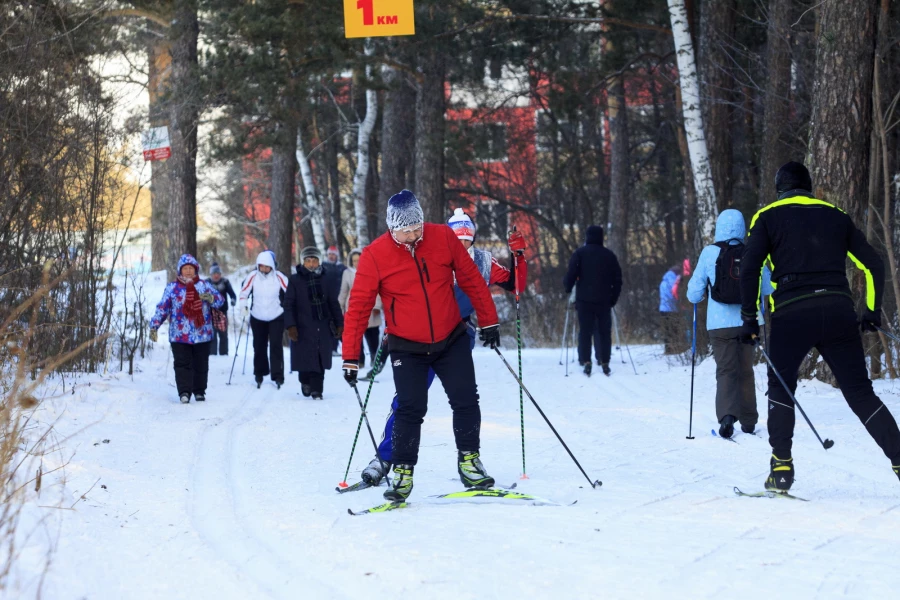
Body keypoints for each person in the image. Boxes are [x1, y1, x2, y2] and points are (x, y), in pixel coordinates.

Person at [740, 161, 900, 492]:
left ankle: (781, 467)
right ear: (809, 187)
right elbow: (873, 262)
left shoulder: (767, 217)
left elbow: (749, 269)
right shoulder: (836, 216)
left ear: (779, 188)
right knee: (859, 393)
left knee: (781, 387)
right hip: (837, 310)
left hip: (791, 314)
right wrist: (871, 311)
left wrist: (748, 319)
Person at [341, 191, 501, 502]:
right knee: (410, 408)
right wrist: (350, 356)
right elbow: (358, 306)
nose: (414, 236)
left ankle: (469, 460)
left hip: (451, 336)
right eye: (406, 231)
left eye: (417, 229)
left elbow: (470, 279)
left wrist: (489, 320)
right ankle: (402, 471)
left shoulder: (442, 236)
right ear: (391, 228)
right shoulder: (375, 255)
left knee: (466, 399)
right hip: (407, 345)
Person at [687, 209, 773, 438]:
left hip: (719, 324)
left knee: (725, 370)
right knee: (746, 370)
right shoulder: (752, 252)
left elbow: (693, 294)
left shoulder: (709, 253)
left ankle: (727, 417)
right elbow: (768, 287)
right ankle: (749, 422)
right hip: (750, 320)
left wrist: (702, 293)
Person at [149, 254, 224, 404]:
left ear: (196, 270)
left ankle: (199, 391)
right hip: (179, 335)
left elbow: (220, 301)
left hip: (202, 333)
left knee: (201, 364)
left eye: (191, 268)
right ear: (180, 271)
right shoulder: (172, 288)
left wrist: (210, 298)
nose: (188, 271)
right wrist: (154, 326)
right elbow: (162, 308)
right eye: (185, 268)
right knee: (182, 363)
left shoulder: (204, 285)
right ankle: (184, 392)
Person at [284, 247, 343, 399]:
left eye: (314, 261)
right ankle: (305, 381)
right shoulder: (295, 280)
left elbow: (333, 303)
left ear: (319, 262)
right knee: (304, 357)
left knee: (319, 357)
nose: (311, 264)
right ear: (303, 262)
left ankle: (317, 389)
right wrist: (291, 326)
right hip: (302, 326)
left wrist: (339, 323)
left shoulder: (326, 278)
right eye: (308, 261)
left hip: (322, 325)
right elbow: (289, 304)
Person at [563, 225, 622, 377]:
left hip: (584, 300)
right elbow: (618, 279)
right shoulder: (609, 255)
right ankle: (604, 361)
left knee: (585, 330)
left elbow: (571, 273)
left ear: (587, 236)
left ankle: (586, 360)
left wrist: (568, 288)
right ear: (602, 237)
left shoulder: (580, 254)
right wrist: (613, 298)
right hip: (604, 300)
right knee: (604, 331)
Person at [239, 251, 289, 389]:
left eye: (267, 266)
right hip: (257, 316)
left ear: (272, 266)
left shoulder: (279, 277)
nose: (264, 269)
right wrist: (243, 306)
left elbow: (290, 293)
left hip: (276, 315)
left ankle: (278, 375)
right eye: (261, 266)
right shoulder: (253, 276)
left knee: (276, 346)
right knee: (259, 346)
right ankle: (259, 373)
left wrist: (290, 309)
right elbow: (243, 293)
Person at [338, 248, 382, 371]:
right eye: (354, 261)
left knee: (372, 336)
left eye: (359, 260)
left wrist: (377, 306)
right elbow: (344, 291)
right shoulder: (347, 273)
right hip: (353, 307)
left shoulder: (372, 270)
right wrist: (339, 307)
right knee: (356, 337)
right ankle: (359, 360)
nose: (357, 263)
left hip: (371, 308)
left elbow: (378, 289)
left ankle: (374, 356)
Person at [206, 262, 237, 356]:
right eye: (214, 274)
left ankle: (224, 354)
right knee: (212, 335)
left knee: (223, 334)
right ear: (211, 275)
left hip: (222, 313)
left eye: (218, 274)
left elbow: (232, 294)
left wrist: (233, 300)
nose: (216, 276)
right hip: (210, 313)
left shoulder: (225, 282)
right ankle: (212, 354)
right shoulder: (206, 283)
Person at [659, 262, 688, 355]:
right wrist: (681, 305)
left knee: (668, 330)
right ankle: (675, 349)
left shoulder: (664, 280)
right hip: (672, 309)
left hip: (663, 308)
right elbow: (675, 294)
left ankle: (668, 349)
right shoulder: (675, 280)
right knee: (674, 329)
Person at [323, 245, 346, 356]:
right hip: (325, 300)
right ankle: (330, 348)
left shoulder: (342, 268)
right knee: (327, 325)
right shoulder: (322, 266)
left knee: (339, 323)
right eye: (330, 254)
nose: (331, 256)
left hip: (339, 300)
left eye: (333, 254)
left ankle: (344, 348)